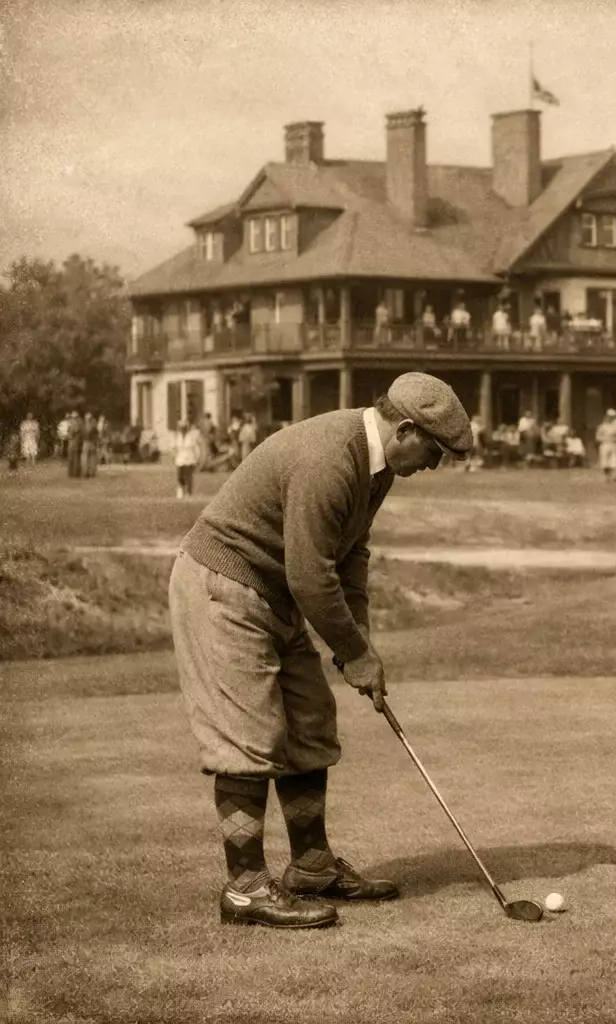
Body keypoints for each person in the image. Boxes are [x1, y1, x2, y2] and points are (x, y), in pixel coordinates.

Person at [167, 372, 471, 929]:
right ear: (405, 428)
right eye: (433, 451)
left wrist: (361, 643)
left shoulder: (376, 469)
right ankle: (244, 888)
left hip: (272, 591)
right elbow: (310, 575)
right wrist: (353, 653)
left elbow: (350, 556)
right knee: (249, 733)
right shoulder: (331, 456)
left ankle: (309, 867)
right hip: (223, 583)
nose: (433, 465)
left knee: (311, 719)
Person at [172, 419, 206, 499]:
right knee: (180, 476)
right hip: (180, 460)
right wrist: (174, 456)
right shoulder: (177, 436)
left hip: (190, 459)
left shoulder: (191, 437)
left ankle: (189, 493)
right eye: (181, 428)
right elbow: (174, 448)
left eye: (184, 428)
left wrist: (198, 458)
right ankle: (181, 490)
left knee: (188, 477)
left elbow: (196, 448)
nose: (182, 429)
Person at [595, 409, 616, 482]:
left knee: (614, 461)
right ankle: (607, 477)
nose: (610, 418)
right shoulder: (602, 426)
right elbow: (597, 437)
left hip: (613, 445)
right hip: (604, 445)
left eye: (612, 417)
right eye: (609, 417)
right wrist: (605, 439)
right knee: (604, 462)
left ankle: (614, 476)